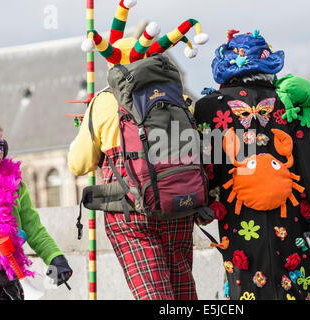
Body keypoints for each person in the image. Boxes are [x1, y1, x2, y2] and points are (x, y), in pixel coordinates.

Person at [68, 0, 209, 300]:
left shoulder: (104, 102)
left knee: (155, 297)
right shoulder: (178, 96)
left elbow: (78, 164)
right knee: (183, 293)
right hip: (179, 206)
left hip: (132, 212)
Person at [193, 30, 310, 300]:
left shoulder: (209, 107)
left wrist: (204, 207)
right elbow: (307, 163)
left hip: (238, 216)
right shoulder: (289, 103)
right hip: (293, 216)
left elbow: (210, 167)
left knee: (247, 288)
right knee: (298, 287)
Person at [0, 119, 72, 300]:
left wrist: (55, 257)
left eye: (1, 145)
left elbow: (33, 227)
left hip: (12, 278)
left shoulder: (16, 184)